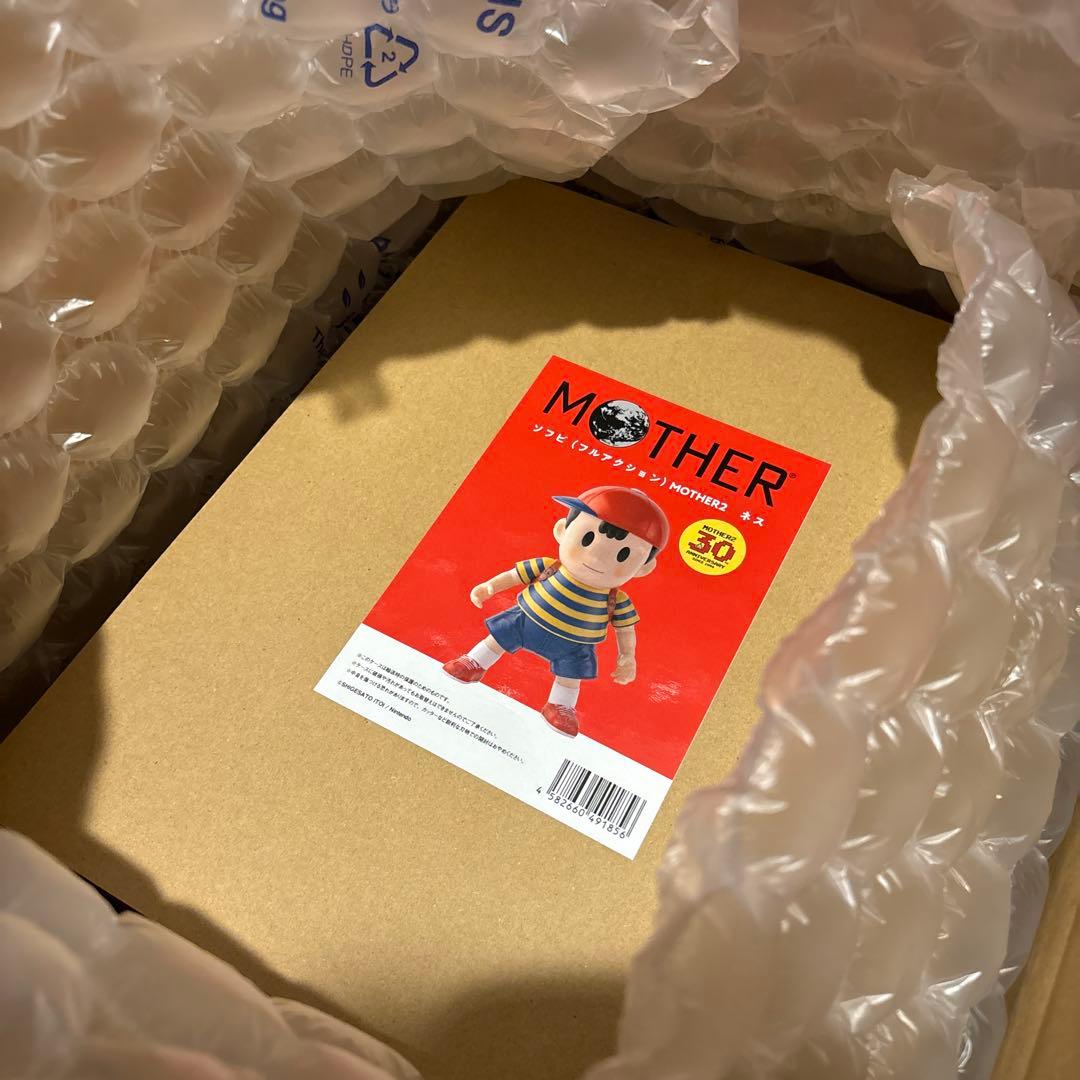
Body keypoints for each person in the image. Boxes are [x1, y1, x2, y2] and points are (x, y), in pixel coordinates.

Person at [442, 485, 669, 737]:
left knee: (571, 674)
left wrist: (627, 656)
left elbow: (626, 629)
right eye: (587, 539)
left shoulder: (618, 600)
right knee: (497, 637)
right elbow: (514, 575)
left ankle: (560, 706)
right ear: (562, 530)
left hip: (573, 644)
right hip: (526, 621)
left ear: (643, 568)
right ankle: (474, 663)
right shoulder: (548, 566)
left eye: (623, 555)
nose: (596, 558)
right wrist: (490, 587)